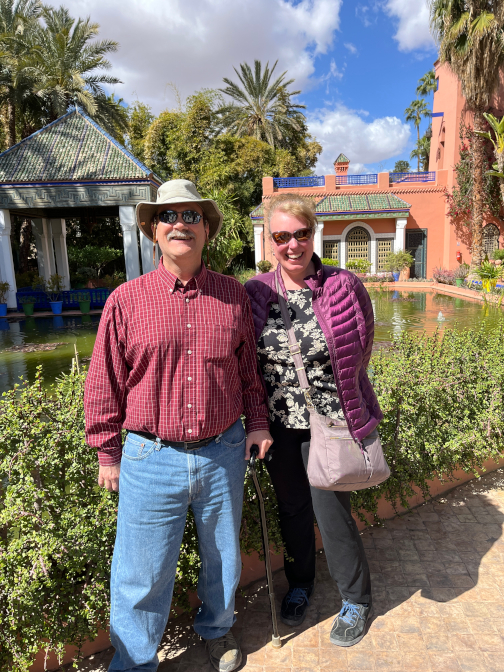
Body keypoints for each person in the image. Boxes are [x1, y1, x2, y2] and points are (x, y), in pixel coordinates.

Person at [84, 179, 273, 672]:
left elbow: (248, 371)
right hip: (150, 456)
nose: (180, 224)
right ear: (153, 231)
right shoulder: (125, 301)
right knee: (140, 573)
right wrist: (107, 452)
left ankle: (215, 630)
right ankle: (134, 661)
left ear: (207, 229)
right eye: (168, 216)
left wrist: (256, 424)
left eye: (192, 215)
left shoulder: (233, 296)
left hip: (223, 451)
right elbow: (104, 381)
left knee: (223, 559)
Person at [244, 193, 382, 647]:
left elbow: (362, 344)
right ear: (271, 240)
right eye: (281, 236)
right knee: (293, 510)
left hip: (333, 422)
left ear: (313, 232)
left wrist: (346, 400)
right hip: (280, 426)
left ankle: (356, 599)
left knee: (331, 511)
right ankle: (301, 583)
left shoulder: (344, 284)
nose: (292, 245)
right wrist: (257, 421)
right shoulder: (257, 291)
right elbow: (248, 361)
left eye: (300, 234)